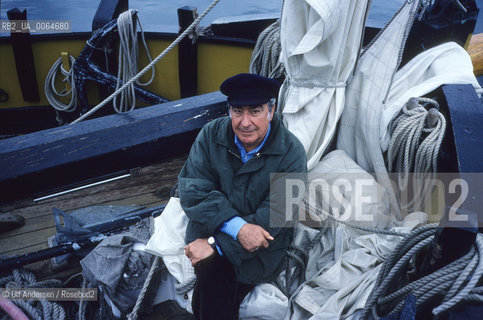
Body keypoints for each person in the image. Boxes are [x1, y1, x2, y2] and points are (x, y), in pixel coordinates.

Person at [179, 73, 307, 319]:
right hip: (209, 232)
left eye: (255, 111)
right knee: (213, 277)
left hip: (261, 250)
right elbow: (193, 190)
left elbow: (276, 215)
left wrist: (215, 246)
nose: (245, 122)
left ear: (271, 111)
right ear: (229, 111)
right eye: (238, 111)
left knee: (212, 276)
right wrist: (238, 228)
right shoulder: (210, 135)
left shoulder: (292, 153)